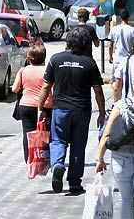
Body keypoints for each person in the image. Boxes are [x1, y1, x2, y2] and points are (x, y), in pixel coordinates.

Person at [37, 26, 106, 194]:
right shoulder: (89, 63)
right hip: (82, 110)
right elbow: (98, 91)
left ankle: (58, 164)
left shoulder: (56, 59)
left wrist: (41, 108)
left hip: (60, 109)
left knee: (58, 140)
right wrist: (102, 112)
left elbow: (46, 87)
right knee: (78, 145)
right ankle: (75, 183)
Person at [95, 54, 134, 219]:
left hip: (121, 159)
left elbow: (106, 134)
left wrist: (99, 159)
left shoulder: (121, 106)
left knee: (126, 199)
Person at [12, 44, 53, 163]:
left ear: (29, 58)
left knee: (28, 133)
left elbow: (15, 89)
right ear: (44, 57)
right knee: (45, 132)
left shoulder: (23, 70)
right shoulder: (48, 70)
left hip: (26, 105)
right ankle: (44, 159)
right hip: (46, 106)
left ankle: (29, 160)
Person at [110, 9, 134, 101]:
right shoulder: (133, 30)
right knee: (128, 82)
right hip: (128, 60)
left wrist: (110, 57)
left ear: (120, 17)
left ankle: (115, 103)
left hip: (117, 59)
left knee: (116, 82)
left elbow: (111, 45)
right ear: (128, 17)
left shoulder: (114, 29)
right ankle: (127, 102)